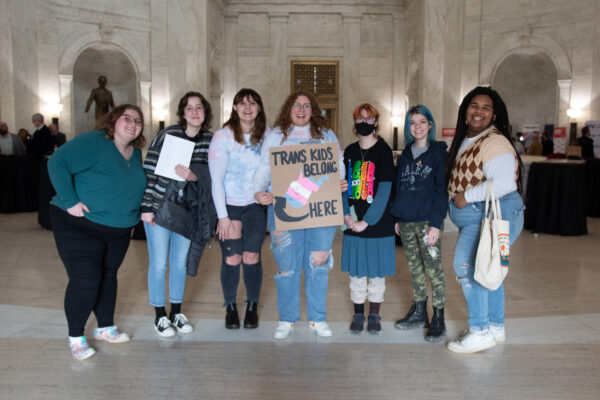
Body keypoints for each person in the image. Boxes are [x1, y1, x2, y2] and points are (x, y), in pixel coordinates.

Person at [47, 104, 147, 360]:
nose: (133, 123)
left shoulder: (134, 152)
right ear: (113, 120)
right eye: (127, 118)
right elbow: (57, 162)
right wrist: (70, 201)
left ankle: (105, 327)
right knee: (86, 280)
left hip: (119, 230)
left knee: (108, 276)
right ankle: (76, 336)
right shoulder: (94, 141)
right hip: (80, 225)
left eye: (138, 120)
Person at [253, 90, 346, 340]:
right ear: (288, 108)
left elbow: (338, 164)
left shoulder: (326, 135)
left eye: (306, 105)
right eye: (296, 105)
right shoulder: (276, 136)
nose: (301, 109)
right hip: (284, 210)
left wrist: (340, 181)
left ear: (313, 109)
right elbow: (263, 168)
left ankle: (317, 318)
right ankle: (287, 318)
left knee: (318, 263)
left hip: (320, 211)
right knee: (287, 267)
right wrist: (257, 192)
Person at [445, 86, 524, 354]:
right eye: (474, 105)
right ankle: (495, 326)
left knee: (468, 267)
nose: (478, 111)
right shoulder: (469, 139)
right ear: (465, 110)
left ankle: (479, 331)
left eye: (486, 107)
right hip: (483, 215)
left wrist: (465, 196)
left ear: (494, 114)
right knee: (489, 269)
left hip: (494, 213)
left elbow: (503, 183)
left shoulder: (494, 141)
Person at [141, 91, 213, 338]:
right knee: (159, 264)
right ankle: (159, 315)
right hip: (160, 205)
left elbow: (212, 175)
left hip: (188, 210)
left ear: (205, 112)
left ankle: (176, 312)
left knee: (180, 263)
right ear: (183, 113)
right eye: (189, 108)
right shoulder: (168, 133)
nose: (195, 112)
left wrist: (195, 175)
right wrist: (147, 207)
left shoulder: (209, 140)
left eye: (199, 108)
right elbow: (149, 170)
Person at [209, 88, 268, 329]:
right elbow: (216, 180)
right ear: (234, 107)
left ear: (259, 108)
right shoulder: (223, 137)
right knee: (232, 258)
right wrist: (222, 217)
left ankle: (252, 305)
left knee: (251, 256)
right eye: (242, 103)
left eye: (253, 103)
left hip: (255, 206)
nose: (247, 107)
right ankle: (230, 306)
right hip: (229, 206)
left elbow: (276, 167)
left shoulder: (268, 135)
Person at [390, 104, 448, 342]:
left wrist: (436, 224)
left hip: (428, 223)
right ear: (408, 127)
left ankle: (439, 318)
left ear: (430, 125)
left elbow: (441, 191)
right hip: (407, 222)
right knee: (414, 270)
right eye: (413, 123)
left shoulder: (438, 153)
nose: (417, 127)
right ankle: (419, 312)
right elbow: (399, 188)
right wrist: (397, 216)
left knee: (434, 270)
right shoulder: (404, 155)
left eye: (422, 122)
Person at [341, 103, 395, 334]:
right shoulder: (349, 151)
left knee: (376, 275)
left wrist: (368, 221)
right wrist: (346, 214)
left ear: (376, 122)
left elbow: (384, 191)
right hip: (353, 222)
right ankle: (358, 314)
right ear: (354, 123)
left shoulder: (383, 151)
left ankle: (374, 315)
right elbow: (343, 187)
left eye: (369, 119)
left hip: (378, 225)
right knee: (357, 274)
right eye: (360, 119)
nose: (364, 122)